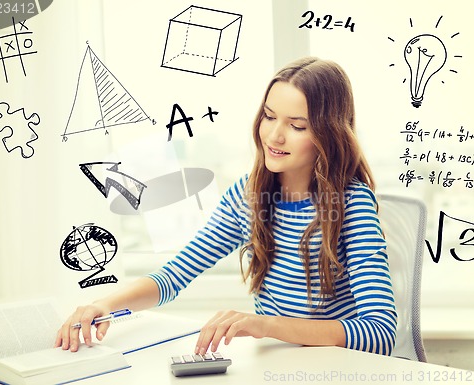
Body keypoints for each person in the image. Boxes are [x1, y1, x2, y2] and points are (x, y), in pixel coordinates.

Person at [55, 56, 397, 356]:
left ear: (329, 134)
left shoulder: (352, 205)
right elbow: (174, 275)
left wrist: (266, 325)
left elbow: (380, 333)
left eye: (297, 126)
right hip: (274, 362)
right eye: (269, 116)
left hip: (333, 369)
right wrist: (106, 305)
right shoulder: (249, 195)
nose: (275, 136)